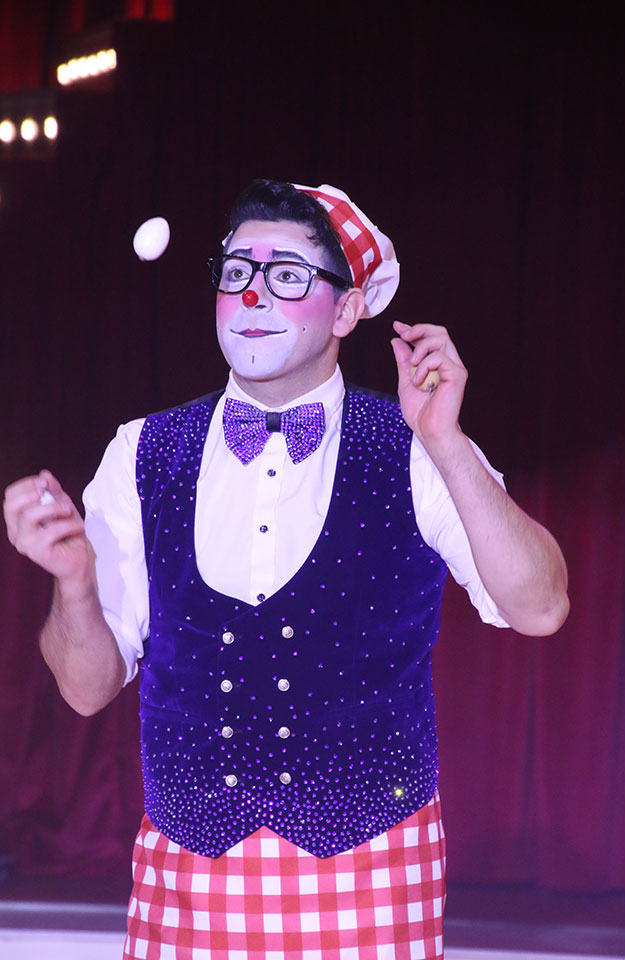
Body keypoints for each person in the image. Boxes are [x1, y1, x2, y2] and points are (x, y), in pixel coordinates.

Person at [3, 179, 569, 960]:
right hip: (187, 879)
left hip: (374, 870)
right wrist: (71, 583)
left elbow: (540, 606)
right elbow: (86, 687)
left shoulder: (415, 449)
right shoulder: (142, 452)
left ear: (346, 309)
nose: (253, 295)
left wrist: (445, 442)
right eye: (237, 272)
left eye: (288, 276)